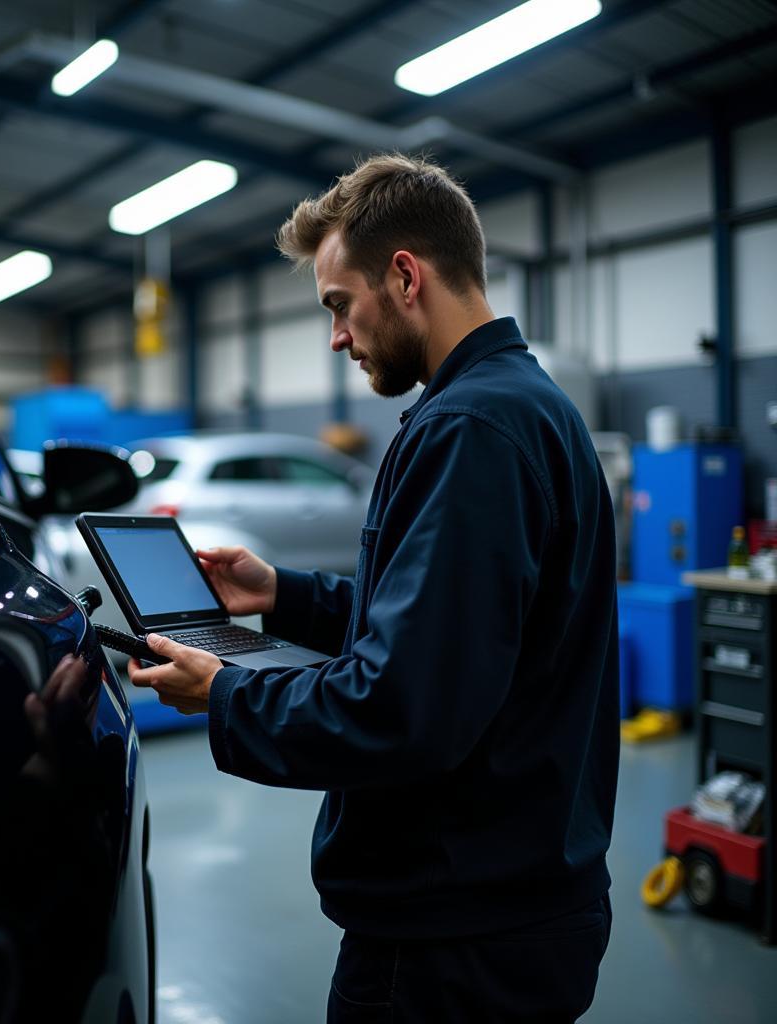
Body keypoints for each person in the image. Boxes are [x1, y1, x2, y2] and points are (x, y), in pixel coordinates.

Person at [128, 153, 619, 1023]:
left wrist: (228, 695)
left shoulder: (472, 428)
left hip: (450, 945)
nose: (337, 336)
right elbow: (452, 630)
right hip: (507, 909)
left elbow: (402, 705)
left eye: (337, 305)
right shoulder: (524, 406)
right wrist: (284, 594)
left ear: (403, 276)